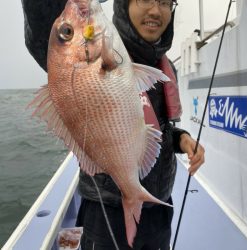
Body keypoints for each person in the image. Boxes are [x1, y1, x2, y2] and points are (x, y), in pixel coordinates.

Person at [21, 0, 205, 249]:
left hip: (159, 206)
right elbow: (45, 28)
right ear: (123, 5)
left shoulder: (164, 66)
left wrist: (182, 139)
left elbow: (159, 128)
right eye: (145, 0)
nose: (155, 10)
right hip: (106, 209)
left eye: (164, 2)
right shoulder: (101, 51)